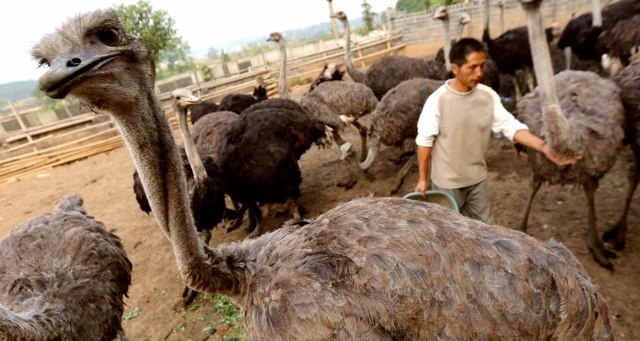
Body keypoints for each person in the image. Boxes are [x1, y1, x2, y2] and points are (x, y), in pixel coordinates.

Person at [414, 38, 579, 224]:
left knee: (487, 231)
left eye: (482, 66)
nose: (479, 73)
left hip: (477, 179)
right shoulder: (437, 101)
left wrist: (544, 147)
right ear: (455, 68)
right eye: (472, 67)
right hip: (447, 184)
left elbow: (511, 127)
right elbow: (424, 141)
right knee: (451, 232)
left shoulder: (487, 96)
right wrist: (422, 179)